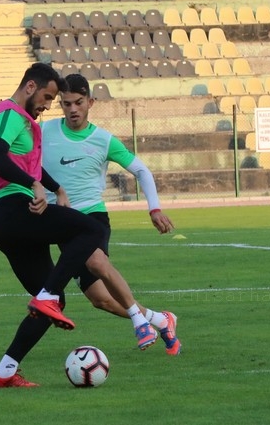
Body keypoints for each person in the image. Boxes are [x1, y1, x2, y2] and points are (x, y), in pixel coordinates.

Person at [0, 63, 166, 388]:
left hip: (7, 221)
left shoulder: (23, 122)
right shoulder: (11, 114)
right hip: (14, 211)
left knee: (55, 304)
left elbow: (27, 166)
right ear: (30, 88)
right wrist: (34, 184)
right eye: (48, 97)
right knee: (91, 231)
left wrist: (55, 188)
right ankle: (48, 296)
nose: (48, 105)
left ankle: (5, 372)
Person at [41, 73, 180, 356]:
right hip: (61, 223)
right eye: (66, 104)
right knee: (99, 299)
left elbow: (142, 169)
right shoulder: (45, 132)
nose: (73, 109)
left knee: (94, 259)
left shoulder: (103, 140)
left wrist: (154, 208)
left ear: (90, 102)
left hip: (93, 217)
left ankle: (140, 323)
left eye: (78, 102)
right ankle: (159, 319)